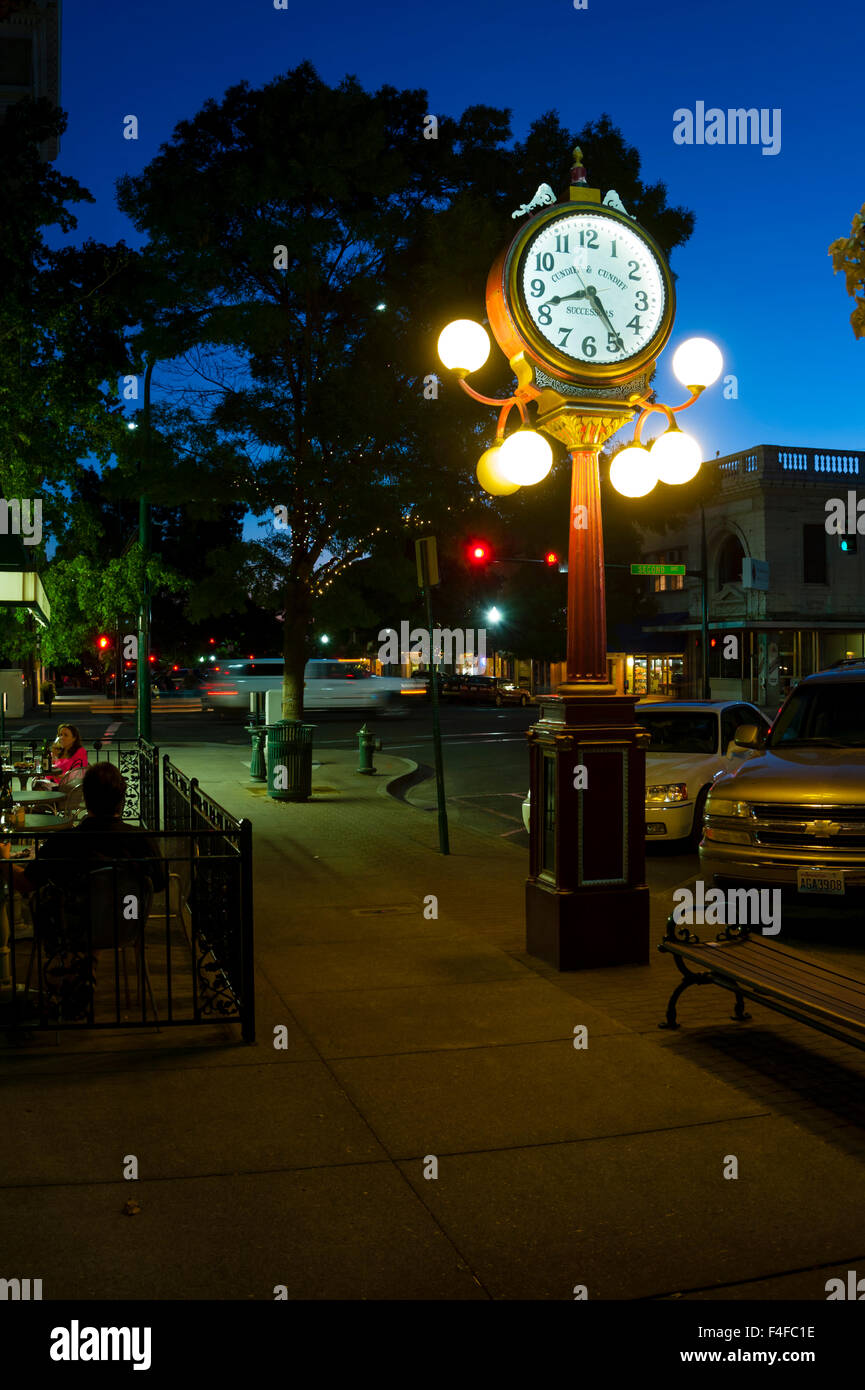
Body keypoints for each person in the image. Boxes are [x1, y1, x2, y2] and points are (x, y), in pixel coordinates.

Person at [32, 724, 88, 789]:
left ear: (74, 738)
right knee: (36, 781)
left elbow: (79, 773)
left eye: (65, 735)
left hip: (68, 787)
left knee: (38, 784)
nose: (61, 737)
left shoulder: (80, 751)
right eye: (60, 735)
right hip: (53, 783)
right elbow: (48, 768)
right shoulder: (58, 751)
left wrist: (60, 776)